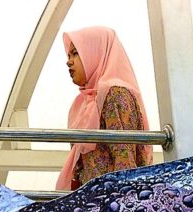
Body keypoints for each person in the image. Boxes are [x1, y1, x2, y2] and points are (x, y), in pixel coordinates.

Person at [56, 26, 153, 190]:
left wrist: (120, 206)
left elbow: (125, 158)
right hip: (92, 202)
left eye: (76, 53)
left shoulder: (115, 94)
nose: (69, 61)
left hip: (113, 202)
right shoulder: (82, 104)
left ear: (95, 53)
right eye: (69, 55)